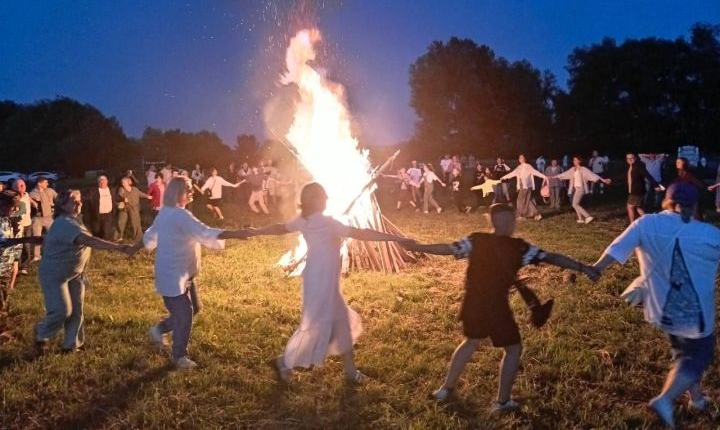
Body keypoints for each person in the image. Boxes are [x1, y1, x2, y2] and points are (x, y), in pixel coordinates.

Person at [405, 204, 598, 413]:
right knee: (513, 348)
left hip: (473, 303)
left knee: (470, 342)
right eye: (507, 220)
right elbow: (551, 257)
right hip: (497, 307)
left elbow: (449, 248)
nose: (508, 224)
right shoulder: (520, 248)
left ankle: (445, 390)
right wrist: (583, 267)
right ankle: (503, 402)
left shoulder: (477, 241)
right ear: (506, 221)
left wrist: (417, 247)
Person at [246, 182, 411, 383]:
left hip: (317, 279)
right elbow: (361, 233)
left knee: (338, 324)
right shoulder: (328, 223)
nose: (327, 199)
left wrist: (255, 231)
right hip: (322, 282)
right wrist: (395, 238)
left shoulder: (304, 221)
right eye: (324, 196)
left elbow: (279, 228)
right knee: (322, 328)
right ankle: (285, 362)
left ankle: (349, 372)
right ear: (316, 200)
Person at [591, 183, 720, 429]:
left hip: (663, 310)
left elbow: (616, 248)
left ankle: (697, 399)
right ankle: (665, 400)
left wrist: (596, 268)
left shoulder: (646, 223)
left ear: (667, 201)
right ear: (694, 206)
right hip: (695, 313)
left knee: (683, 353)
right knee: (698, 356)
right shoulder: (708, 233)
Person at [144, 176, 249, 369]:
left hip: (182, 274)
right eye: (189, 189)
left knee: (194, 309)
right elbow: (206, 232)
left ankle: (158, 330)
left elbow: (150, 237)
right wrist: (237, 234)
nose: (192, 192)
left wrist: (142, 244)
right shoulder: (178, 215)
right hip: (174, 275)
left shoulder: (167, 212)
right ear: (178, 193)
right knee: (185, 313)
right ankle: (179, 356)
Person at [34, 190, 137, 353]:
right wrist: (120, 248)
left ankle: (72, 345)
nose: (79, 203)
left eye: (79, 200)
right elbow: (87, 240)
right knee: (62, 311)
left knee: (76, 310)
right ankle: (41, 333)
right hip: (55, 274)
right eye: (74, 201)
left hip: (75, 273)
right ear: (62, 205)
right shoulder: (64, 223)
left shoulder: (75, 220)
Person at [552, 156, 611, 224]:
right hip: (576, 189)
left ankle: (588, 216)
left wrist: (603, 180)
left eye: (575, 160)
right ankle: (580, 219)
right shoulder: (572, 169)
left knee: (575, 204)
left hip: (581, 189)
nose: (574, 161)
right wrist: (555, 177)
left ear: (579, 161)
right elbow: (564, 174)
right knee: (576, 204)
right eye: (573, 160)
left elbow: (592, 174)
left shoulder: (583, 169)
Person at [500, 154, 547, 221]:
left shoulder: (528, 166)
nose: (520, 159)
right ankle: (536, 214)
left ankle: (522, 215)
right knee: (528, 201)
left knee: (520, 201)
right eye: (519, 158)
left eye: (522, 157)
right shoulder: (519, 167)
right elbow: (512, 174)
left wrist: (544, 176)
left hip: (526, 186)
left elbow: (535, 172)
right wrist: (504, 177)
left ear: (525, 159)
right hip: (522, 186)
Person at [625, 153, 660, 223]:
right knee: (638, 207)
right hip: (635, 190)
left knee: (630, 206)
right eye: (628, 158)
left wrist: (655, 185)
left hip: (637, 190)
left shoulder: (638, 165)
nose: (630, 160)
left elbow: (647, 175)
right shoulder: (632, 166)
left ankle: (632, 224)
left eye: (631, 158)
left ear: (635, 158)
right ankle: (648, 221)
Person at [29, 176, 57, 261]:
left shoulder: (50, 191)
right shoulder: (32, 194)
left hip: (49, 217)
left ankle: (53, 252)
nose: (47, 184)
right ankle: (36, 255)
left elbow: (59, 198)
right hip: (37, 219)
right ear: (39, 183)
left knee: (53, 236)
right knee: (37, 237)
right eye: (45, 182)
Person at [116, 177, 151, 242]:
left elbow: (141, 194)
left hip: (133, 208)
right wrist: (122, 200)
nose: (123, 184)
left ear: (128, 182)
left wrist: (148, 196)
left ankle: (138, 237)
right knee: (120, 222)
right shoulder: (121, 189)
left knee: (135, 222)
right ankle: (119, 236)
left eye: (124, 182)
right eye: (122, 182)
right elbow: (118, 196)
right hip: (124, 208)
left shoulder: (135, 189)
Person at [84, 175, 117, 241]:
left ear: (107, 182)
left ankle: (106, 245)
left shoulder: (111, 190)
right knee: (96, 230)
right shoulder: (93, 191)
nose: (102, 183)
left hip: (108, 214)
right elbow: (86, 197)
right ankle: (97, 243)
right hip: (97, 215)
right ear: (98, 183)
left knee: (106, 231)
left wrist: (124, 200)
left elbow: (116, 198)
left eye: (104, 181)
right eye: (100, 182)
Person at [12, 179, 33, 274]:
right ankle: (17, 265)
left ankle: (24, 266)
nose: (22, 187)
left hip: (27, 224)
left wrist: (34, 203)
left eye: (23, 185)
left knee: (27, 246)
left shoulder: (27, 195)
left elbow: (29, 199)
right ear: (14, 187)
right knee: (18, 246)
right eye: (19, 186)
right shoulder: (13, 197)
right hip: (17, 225)